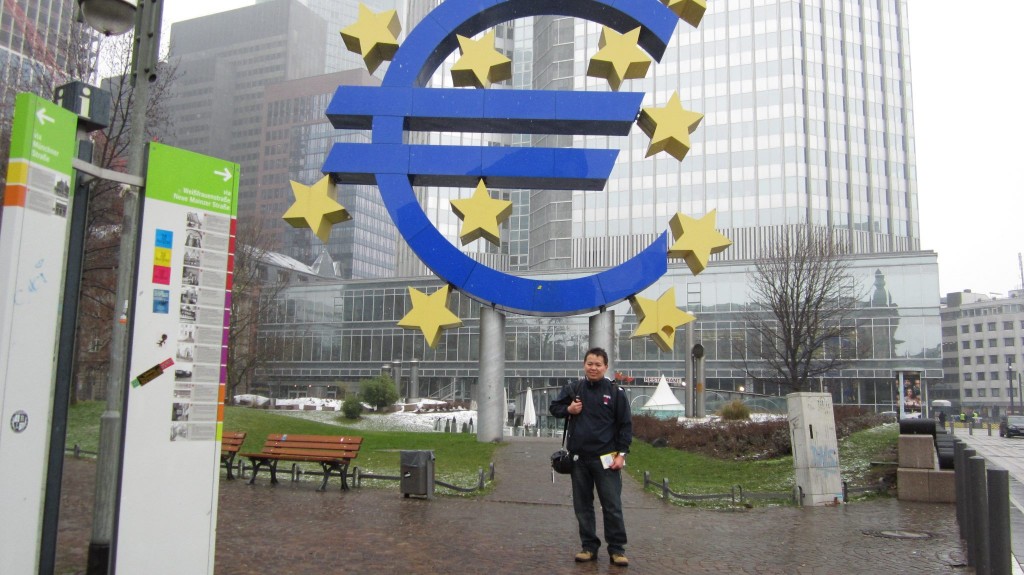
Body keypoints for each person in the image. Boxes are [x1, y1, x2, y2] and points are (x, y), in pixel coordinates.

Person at [549, 347, 632, 567]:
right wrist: (569, 409)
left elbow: (625, 426)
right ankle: (588, 546)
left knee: (612, 505)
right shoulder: (574, 388)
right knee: (582, 506)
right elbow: (554, 408)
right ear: (584, 365)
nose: (593, 368)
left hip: (606, 459)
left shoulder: (616, 392)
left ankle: (617, 549)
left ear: (605, 367)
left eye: (598, 364)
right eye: (589, 363)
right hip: (579, 460)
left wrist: (621, 455)